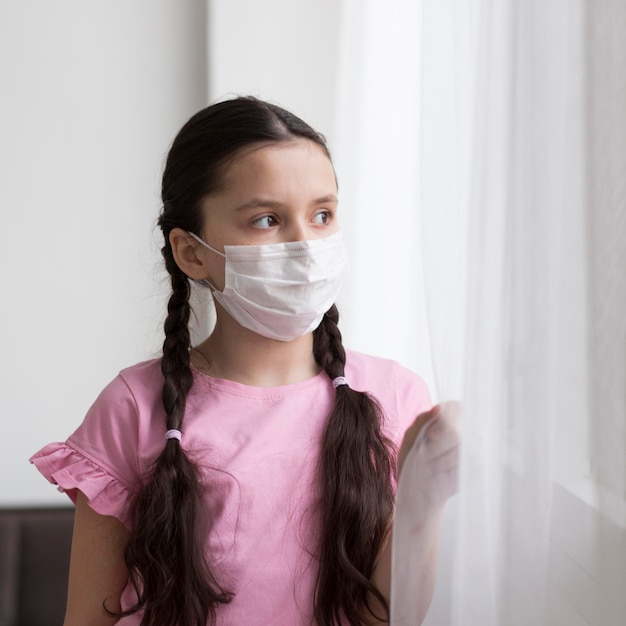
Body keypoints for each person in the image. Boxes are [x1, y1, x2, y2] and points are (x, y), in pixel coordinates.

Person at [30, 96, 458, 626]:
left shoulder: (395, 397)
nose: (305, 245)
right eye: (266, 219)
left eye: (322, 214)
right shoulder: (134, 409)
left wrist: (422, 499)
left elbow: (389, 616)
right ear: (192, 253)